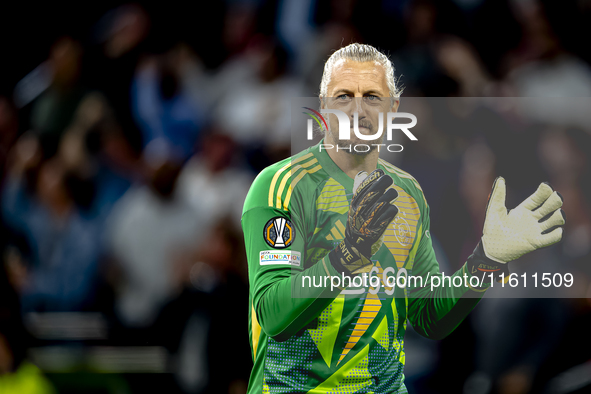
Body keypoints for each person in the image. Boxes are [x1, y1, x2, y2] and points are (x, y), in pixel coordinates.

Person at [241, 43, 566, 393]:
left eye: (372, 97)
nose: (358, 109)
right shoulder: (279, 187)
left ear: (393, 108)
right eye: (343, 96)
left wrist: (487, 259)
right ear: (323, 108)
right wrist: (346, 256)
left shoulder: (408, 192)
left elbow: (429, 318)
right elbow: (274, 315)